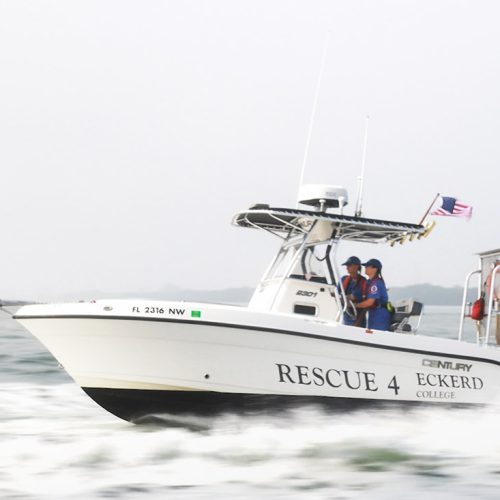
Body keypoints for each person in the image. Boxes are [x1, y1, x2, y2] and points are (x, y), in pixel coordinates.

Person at [355, 258, 392, 331]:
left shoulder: (376, 284)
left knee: (377, 335)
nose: (365, 268)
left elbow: (370, 302)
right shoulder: (369, 282)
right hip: (373, 313)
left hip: (380, 315)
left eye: (367, 266)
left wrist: (355, 305)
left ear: (375, 269)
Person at [339, 256, 367, 326]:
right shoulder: (343, 279)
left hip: (358, 318)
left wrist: (358, 322)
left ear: (356, 266)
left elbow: (354, 297)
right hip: (345, 316)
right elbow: (335, 294)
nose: (347, 267)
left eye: (349, 265)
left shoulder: (363, 282)